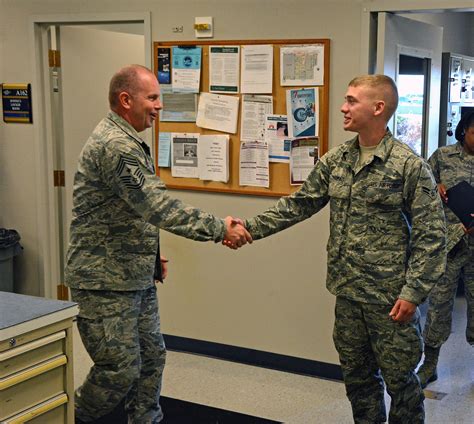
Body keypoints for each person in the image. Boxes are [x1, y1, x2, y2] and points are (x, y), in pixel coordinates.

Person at [227, 75, 446, 423]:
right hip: (347, 294)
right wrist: (248, 228)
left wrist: (414, 292)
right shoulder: (337, 160)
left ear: (378, 108)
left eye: (351, 100)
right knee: (358, 382)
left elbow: (432, 235)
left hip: (390, 300)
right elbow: (299, 205)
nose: (343, 107)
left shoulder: (408, 166)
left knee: (402, 385)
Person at [65, 64, 252, 424]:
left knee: (151, 359)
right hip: (104, 282)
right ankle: (71, 417)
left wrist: (151, 257)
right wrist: (219, 228)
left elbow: (132, 210)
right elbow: (157, 206)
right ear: (125, 100)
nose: (159, 106)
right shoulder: (116, 146)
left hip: (133, 274)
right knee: (119, 370)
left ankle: (145, 420)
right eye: (151, 97)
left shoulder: (129, 139)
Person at [417, 111, 474, 388]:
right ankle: (429, 366)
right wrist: (434, 185)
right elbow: (420, 187)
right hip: (449, 245)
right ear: (463, 131)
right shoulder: (442, 156)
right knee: (438, 307)